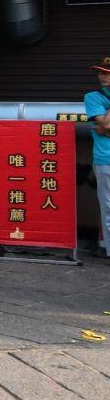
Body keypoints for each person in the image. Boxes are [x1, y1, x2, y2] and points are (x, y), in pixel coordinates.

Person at [88, 56, 110, 259]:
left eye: (107, 73)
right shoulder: (93, 97)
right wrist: (103, 127)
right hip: (105, 158)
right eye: (101, 72)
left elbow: (105, 127)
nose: (102, 76)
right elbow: (106, 124)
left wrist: (103, 127)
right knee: (108, 206)